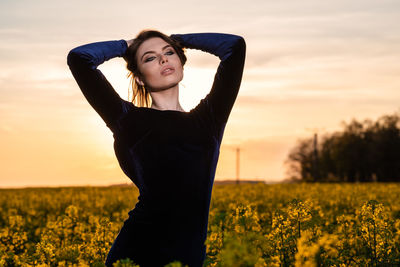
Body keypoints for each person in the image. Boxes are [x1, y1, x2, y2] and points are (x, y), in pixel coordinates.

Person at [67, 30, 246, 267]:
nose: (163, 59)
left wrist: (180, 39)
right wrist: (126, 46)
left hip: (188, 256)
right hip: (136, 253)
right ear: (139, 78)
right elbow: (79, 59)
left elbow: (235, 47)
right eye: (149, 58)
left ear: (182, 64)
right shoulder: (127, 121)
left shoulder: (210, 120)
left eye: (169, 53)